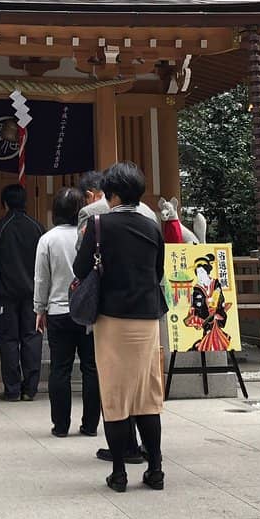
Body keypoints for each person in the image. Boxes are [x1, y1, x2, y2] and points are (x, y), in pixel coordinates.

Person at [73, 161, 167, 493]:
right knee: (147, 393)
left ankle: (118, 472)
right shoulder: (152, 225)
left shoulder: (99, 225)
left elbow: (80, 267)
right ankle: (155, 469)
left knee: (115, 391)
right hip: (146, 316)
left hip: (111, 318)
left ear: (110, 193)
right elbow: (157, 271)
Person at [34, 186, 100, 438]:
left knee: (59, 368)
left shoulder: (48, 239)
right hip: (89, 311)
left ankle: (60, 425)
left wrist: (39, 308)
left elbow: (42, 279)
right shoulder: (90, 234)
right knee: (91, 368)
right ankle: (90, 424)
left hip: (58, 309)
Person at [0, 183, 44, 402]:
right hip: (33, 293)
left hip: (6, 294)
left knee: (8, 340)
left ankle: (12, 389)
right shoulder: (37, 227)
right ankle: (31, 389)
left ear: (4, 203)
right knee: (32, 338)